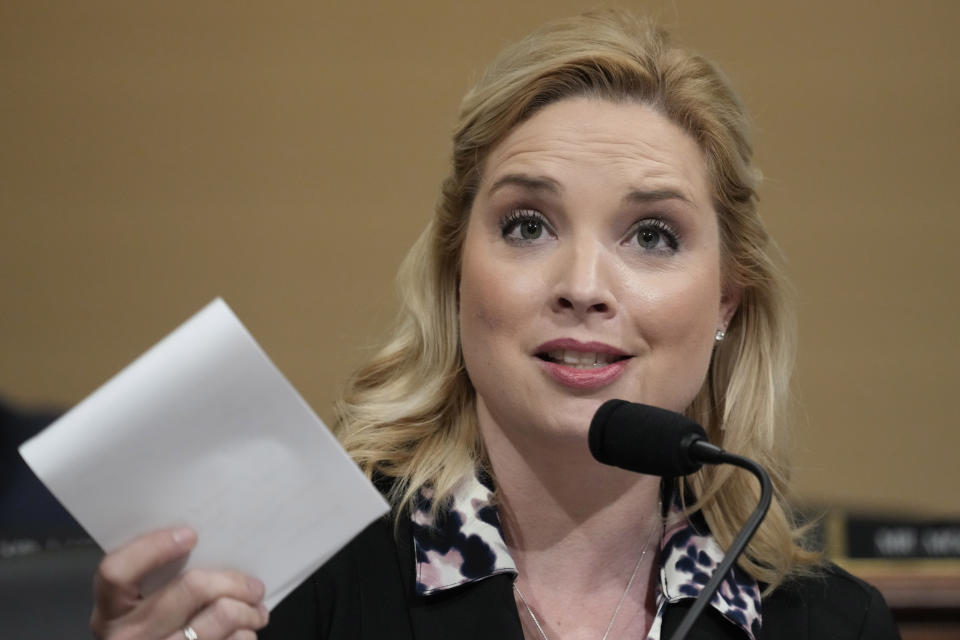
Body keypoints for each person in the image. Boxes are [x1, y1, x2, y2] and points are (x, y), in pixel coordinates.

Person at [90, 10, 900, 640]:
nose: (583, 287)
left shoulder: (831, 626)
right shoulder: (288, 588)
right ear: (455, 271)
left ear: (727, 299)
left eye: (652, 236)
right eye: (527, 226)